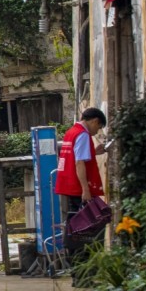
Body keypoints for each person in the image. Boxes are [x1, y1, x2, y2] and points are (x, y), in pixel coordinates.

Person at [55, 107, 110, 259]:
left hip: (68, 184)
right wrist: (85, 189)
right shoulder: (83, 135)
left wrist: (94, 152)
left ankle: (73, 259)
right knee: (83, 226)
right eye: (98, 127)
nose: (96, 132)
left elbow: (75, 156)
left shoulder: (71, 132)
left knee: (73, 223)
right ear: (94, 121)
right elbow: (79, 163)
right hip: (78, 187)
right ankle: (79, 259)